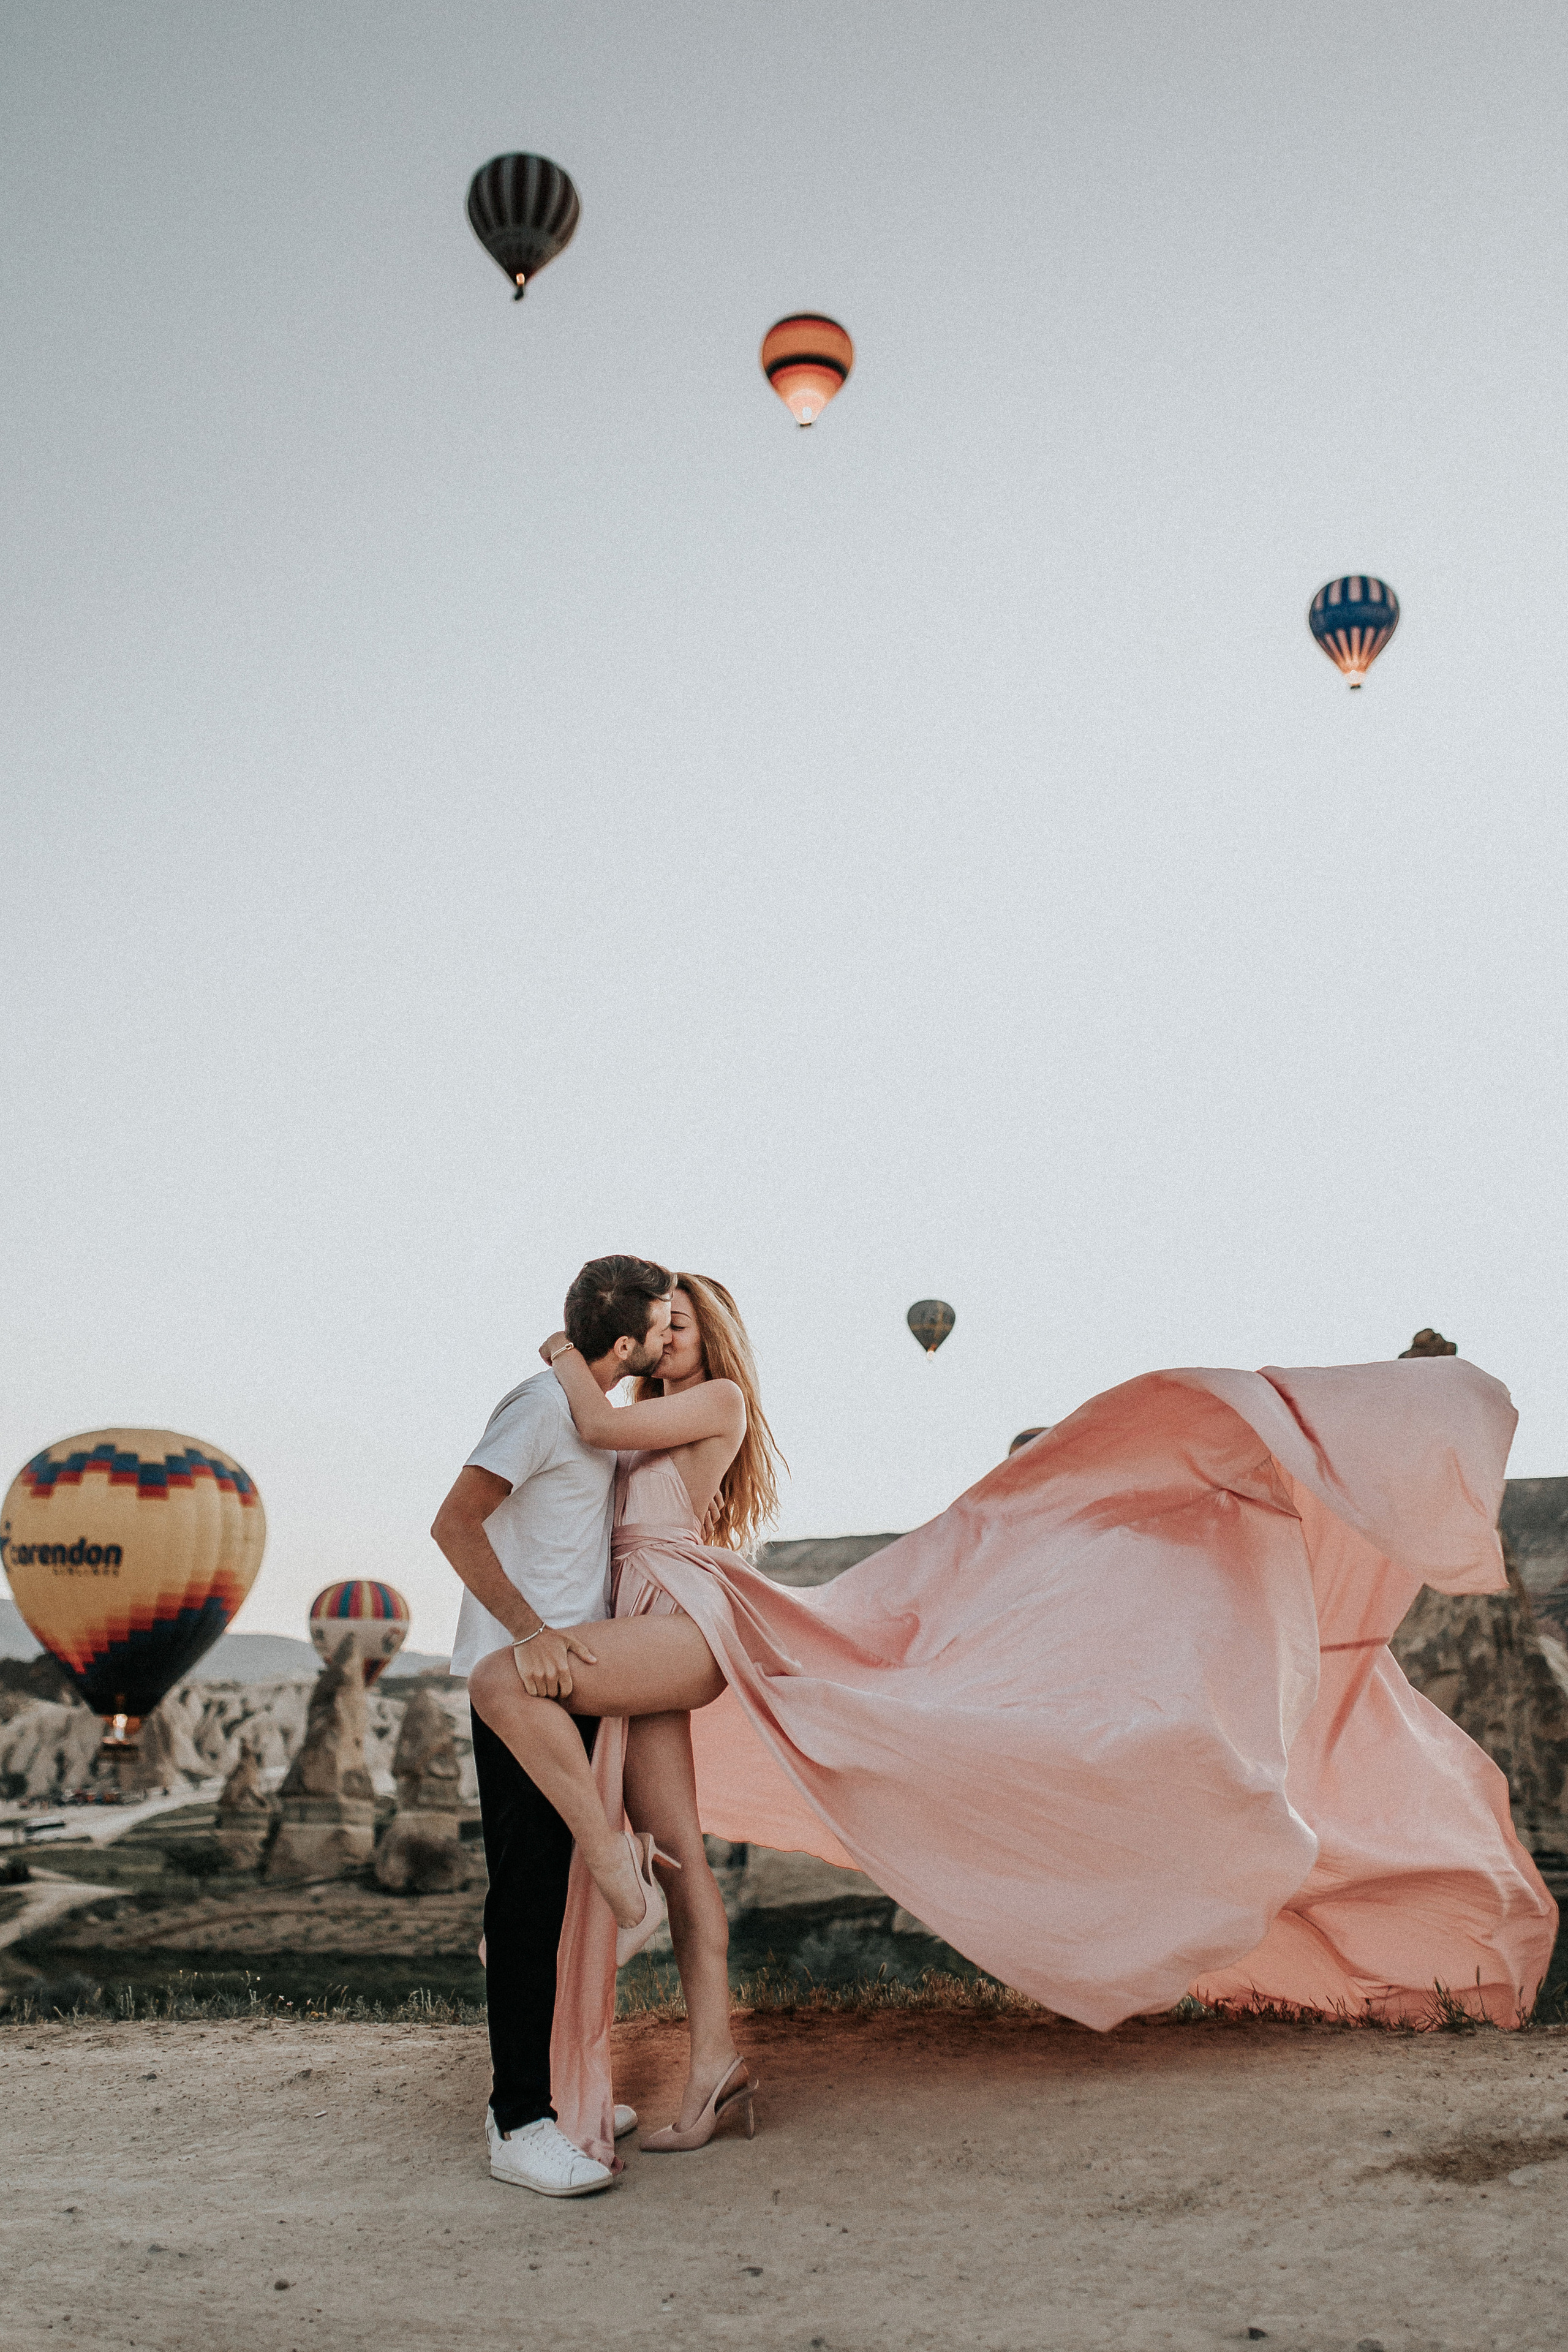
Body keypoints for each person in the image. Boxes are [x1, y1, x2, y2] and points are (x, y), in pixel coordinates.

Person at [470, 1343, 1560, 2168]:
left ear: (710, 1339)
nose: (658, 1344)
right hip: (656, 1613)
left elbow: (594, 1443)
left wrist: (572, 1358)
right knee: (685, 1853)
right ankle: (712, 2072)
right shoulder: (639, 1420)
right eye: (650, 1331)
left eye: (676, 1327)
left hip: (687, 1614)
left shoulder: (697, 1407)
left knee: (529, 1711)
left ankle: (612, 1881)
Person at [432, 1252, 674, 2198]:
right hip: (523, 1681)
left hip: (576, 1681)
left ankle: (560, 2086)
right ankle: (518, 2119)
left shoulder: (595, 1416)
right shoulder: (540, 1409)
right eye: (661, 1327)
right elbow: (455, 1523)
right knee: (528, 1899)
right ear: (627, 1342)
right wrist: (528, 1632)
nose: (667, 1339)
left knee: (571, 1896)